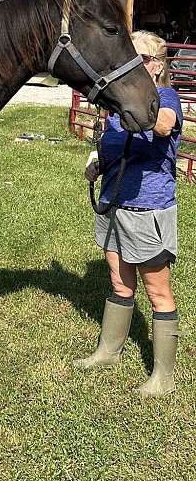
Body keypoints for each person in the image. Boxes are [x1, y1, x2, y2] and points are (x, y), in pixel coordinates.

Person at [75, 31, 183, 397]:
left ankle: (163, 376)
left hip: (147, 209)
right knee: (120, 283)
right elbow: (114, 146)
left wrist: (134, 104)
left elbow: (165, 124)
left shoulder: (165, 97)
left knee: (158, 293)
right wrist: (99, 165)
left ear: (155, 66)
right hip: (114, 204)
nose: (131, 64)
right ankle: (109, 350)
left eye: (139, 58)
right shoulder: (120, 104)